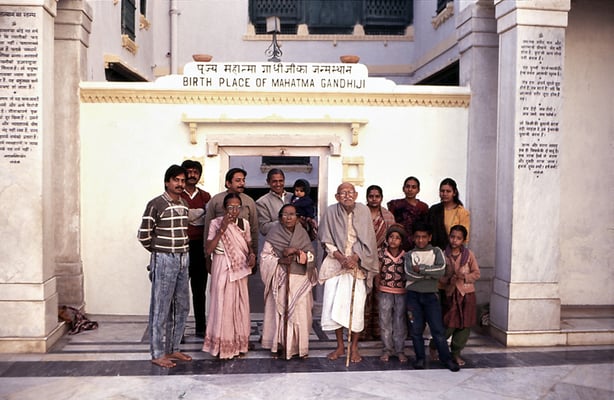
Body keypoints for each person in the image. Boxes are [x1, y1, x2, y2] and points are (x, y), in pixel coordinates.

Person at [137, 164, 192, 368]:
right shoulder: (156, 204)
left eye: (182, 180)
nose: (180, 184)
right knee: (160, 307)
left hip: (183, 258)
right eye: (176, 180)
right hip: (164, 259)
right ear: (167, 182)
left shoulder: (184, 204)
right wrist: (159, 252)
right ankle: (158, 352)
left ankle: (173, 348)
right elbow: (144, 236)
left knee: (182, 305)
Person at [318, 182, 379, 363]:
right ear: (337, 197)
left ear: (356, 194)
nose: (347, 195)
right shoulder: (330, 211)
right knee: (334, 305)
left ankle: (354, 348)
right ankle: (340, 346)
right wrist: (340, 257)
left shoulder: (363, 211)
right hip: (335, 264)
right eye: (342, 193)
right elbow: (325, 239)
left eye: (350, 192)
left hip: (357, 266)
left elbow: (368, 240)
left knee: (356, 308)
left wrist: (355, 257)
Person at [202, 193, 256, 359]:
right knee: (221, 303)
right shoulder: (215, 223)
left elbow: (248, 245)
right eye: (230, 207)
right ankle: (220, 346)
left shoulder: (244, 224)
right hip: (221, 265)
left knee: (239, 305)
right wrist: (222, 228)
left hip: (240, 269)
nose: (234, 210)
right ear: (224, 208)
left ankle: (239, 345)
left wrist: (252, 254)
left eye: (237, 207)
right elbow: (208, 250)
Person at [260, 204, 318, 359]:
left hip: (300, 279)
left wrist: (297, 252)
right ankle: (278, 345)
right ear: (280, 217)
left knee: (300, 313)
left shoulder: (302, 233)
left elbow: (311, 256)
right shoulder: (274, 233)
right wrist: (279, 260)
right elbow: (265, 256)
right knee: (279, 312)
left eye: (292, 214)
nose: (288, 218)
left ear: (297, 217)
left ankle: (299, 347)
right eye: (285, 215)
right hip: (280, 277)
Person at [404, 222, 460, 372]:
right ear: (413, 238)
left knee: (437, 329)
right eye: (417, 237)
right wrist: (430, 274)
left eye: (423, 237)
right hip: (413, 296)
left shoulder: (436, 252)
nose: (420, 240)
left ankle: (446, 359)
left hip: (431, 297)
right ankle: (420, 358)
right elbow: (409, 274)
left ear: (429, 237)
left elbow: (441, 271)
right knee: (416, 330)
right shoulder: (409, 255)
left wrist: (421, 269)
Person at [438, 225, 480, 366]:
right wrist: (448, 279)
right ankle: (435, 345)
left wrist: (465, 276)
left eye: (458, 238)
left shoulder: (469, 255)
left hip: (467, 294)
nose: (454, 240)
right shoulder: (443, 255)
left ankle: (456, 353)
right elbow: (439, 276)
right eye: (452, 237)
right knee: (449, 324)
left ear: (463, 240)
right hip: (450, 294)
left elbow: (476, 273)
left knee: (464, 325)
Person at [180, 160, 211, 338]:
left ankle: (201, 327)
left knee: (199, 291)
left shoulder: (206, 196)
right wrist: (197, 215)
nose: (192, 174)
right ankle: (180, 330)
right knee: (180, 292)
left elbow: (208, 220)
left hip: (200, 247)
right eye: (189, 171)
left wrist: (189, 216)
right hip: (182, 247)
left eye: (195, 172)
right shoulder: (177, 195)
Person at [362, 184, 396, 341]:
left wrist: (385, 259)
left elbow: (392, 239)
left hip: (382, 259)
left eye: (377, 196)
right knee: (364, 296)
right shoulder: (360, 214)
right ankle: (361, 331)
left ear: (381, 198)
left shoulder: (388, 216)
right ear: (367, 197)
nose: (374, 199)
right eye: (371, 196)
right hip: (362, 259)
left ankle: (378, 330)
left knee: (380, 296)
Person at [204, 168, 259, 259]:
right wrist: (207, 257)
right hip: (221, 254)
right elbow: (208, 228)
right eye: (238, 180)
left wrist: (254, 254)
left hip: (242, 254)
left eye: (243, 180)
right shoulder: (216, 200)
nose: (242, 183)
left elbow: (254, 229)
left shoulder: (249, 201)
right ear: (228, 183)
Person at [377, 224, 408, 363]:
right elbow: (377, 271)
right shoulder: (381, 253)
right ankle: (387, 349)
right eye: (391, 237)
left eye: (397, 238)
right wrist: (378, 285)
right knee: (385, 321)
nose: (393, 240)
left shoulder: (406, 256)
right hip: (384, 291)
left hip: (401, 292)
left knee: (399, 321)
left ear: (401, 241)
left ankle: (400, 350)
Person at [427, 177, 470, 251]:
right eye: (442, 191)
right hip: (434, 250)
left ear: (454, 193)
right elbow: (428, 231)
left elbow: (464, 236)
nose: (445, 194)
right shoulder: (434, 210)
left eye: (448, 191)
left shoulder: (462, 212)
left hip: (454, 251)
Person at [387, 176, 429, 251]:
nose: (410, 189)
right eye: (407, 186)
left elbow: (425, 227)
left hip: (417, 243)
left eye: (413, 187)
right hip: (398, 242)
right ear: (403, 188)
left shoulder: (423, 207)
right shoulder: (395, 205)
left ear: (418, 190)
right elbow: (390, 224)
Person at [256, 168, 293, 237]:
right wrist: (284, 221)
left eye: (281, 181)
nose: (278, 184)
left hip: (295, 242)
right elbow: (264, 228)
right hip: (276, 243)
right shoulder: (262, 202)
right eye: (274, 181)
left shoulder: (292, 197)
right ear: (268, 182)